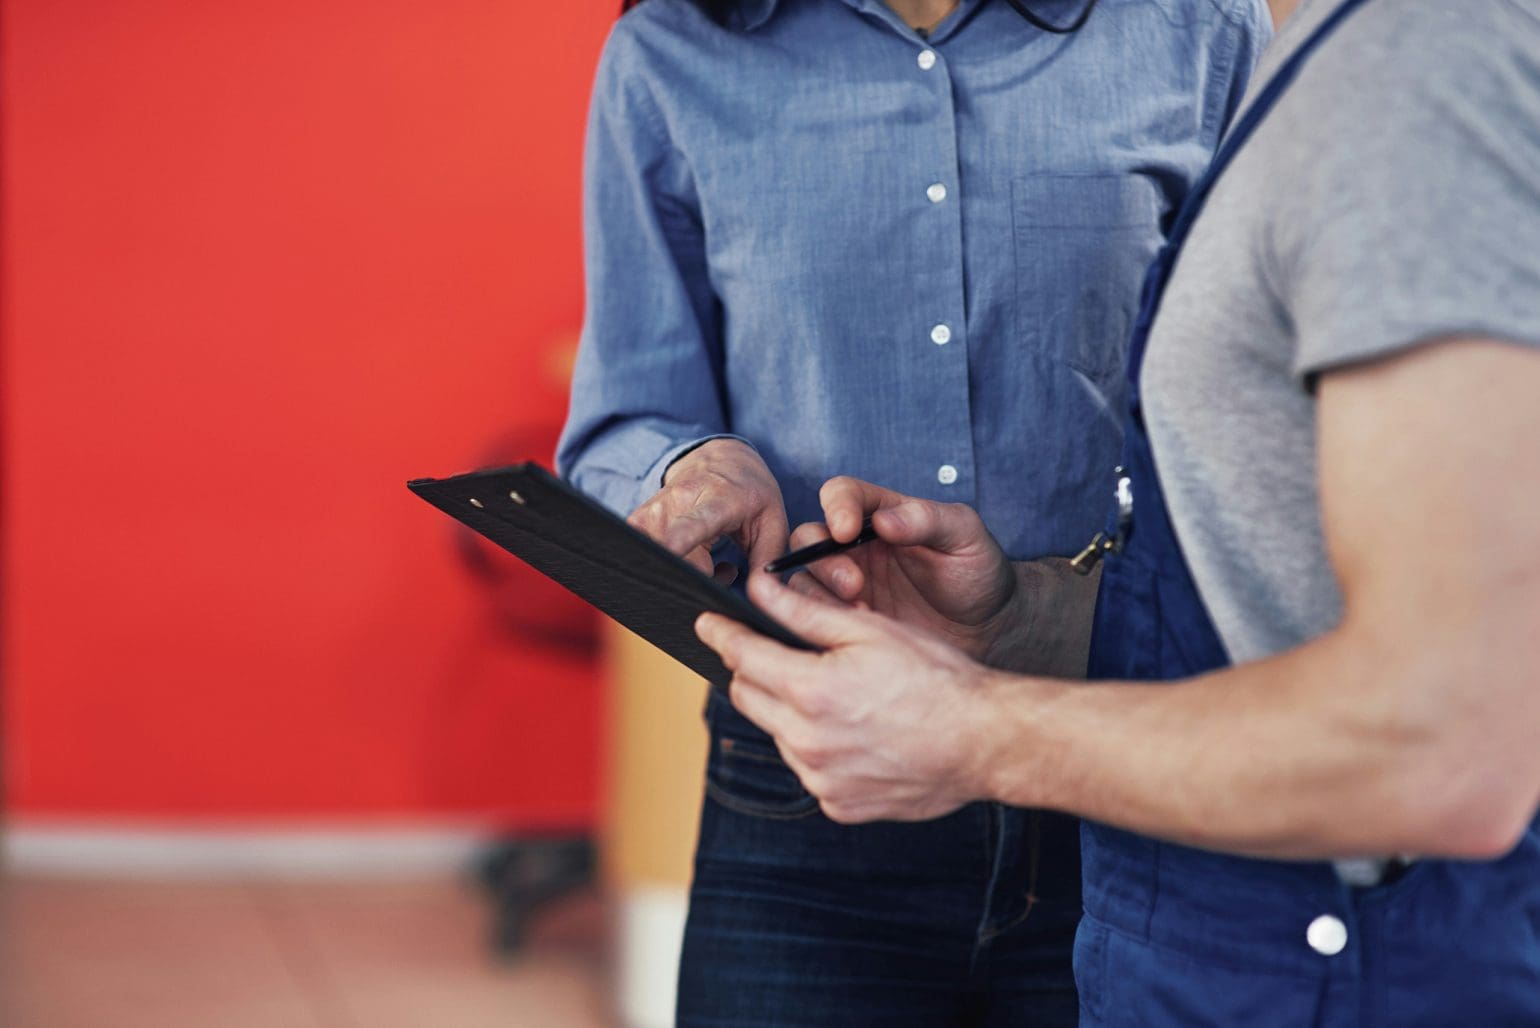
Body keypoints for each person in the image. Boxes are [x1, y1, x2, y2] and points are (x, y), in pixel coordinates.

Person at [695, 0, 1540, 1021]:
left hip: (1320, 970)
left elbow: (1445, 743)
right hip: (1195, 952)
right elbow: (1266, 585)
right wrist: (1022, 616)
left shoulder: (1413, 72)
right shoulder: (1319, 58)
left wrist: (973, 731)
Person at [558, 0, 1271, 1021]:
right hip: (807, 775)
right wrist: (694, 466)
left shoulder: (1196, 28)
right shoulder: (670, 53)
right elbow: (625, 411)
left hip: (1121, 760)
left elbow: (1261, 407)